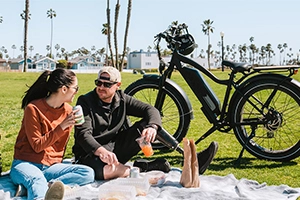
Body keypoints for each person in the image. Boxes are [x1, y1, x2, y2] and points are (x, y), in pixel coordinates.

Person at [72, 66, 218, 180]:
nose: (101, 87)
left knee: (148, 124)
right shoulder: (86, 101)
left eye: (107, 84)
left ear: (117, 85)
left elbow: (150, 110)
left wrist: (152, 127)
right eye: (99, 83)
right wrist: (101, 152)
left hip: (115, 149)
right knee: (101, 171)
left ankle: (190, 158)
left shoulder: (122, 99)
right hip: (91, 153)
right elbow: (83, 135)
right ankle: (142, 168)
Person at [10, 68, 95, 200]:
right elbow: (37, 146)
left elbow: (60, 146)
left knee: (87, 173)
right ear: (64, 89)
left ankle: (48, 186)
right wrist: (62, 126)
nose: (77, 92)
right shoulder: (33, 109)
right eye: (75, 88)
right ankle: (38, 189)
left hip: (51, 167)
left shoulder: (68, 111)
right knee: (37, 180)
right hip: (26, 163)